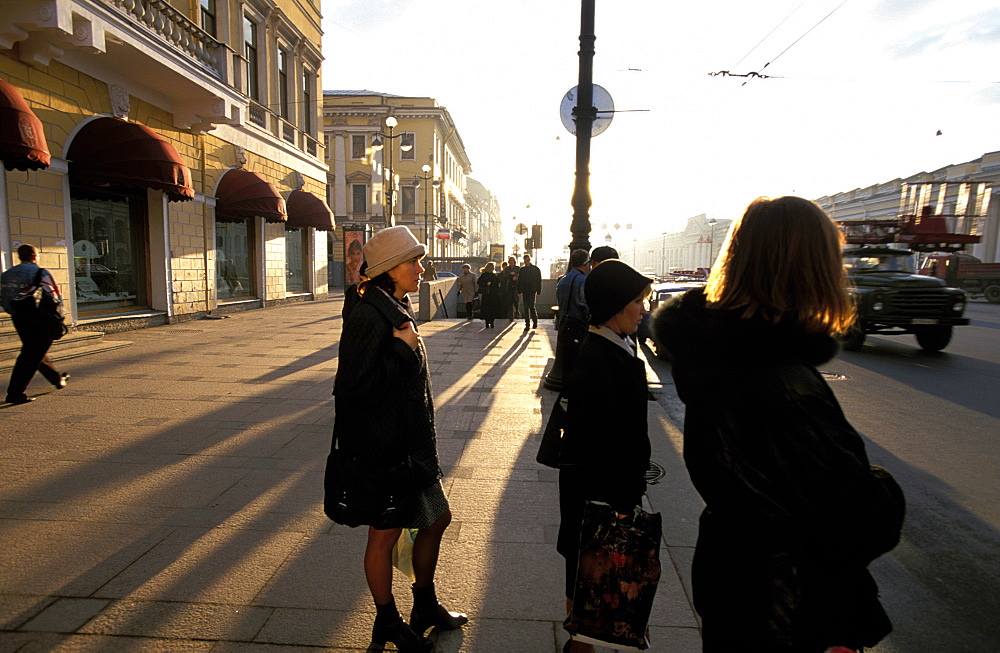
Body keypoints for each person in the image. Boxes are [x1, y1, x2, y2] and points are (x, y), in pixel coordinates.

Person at [651, 196, 903, 652]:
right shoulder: (782, 381)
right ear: (810, 268)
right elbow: (855, 520)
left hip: (734, 583)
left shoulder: (713, 358)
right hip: (789, 607)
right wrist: (884, 487)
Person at [328, 226, 466, 653]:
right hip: (385, 451)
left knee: (435, 517)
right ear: (390, 269)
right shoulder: (371, 314)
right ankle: (387, 621)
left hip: (409, 448)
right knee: (383, 536)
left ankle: (424, 606)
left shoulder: (392, 304)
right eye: (414, 262)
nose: (422, 269)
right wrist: (405, 351)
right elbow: (351, 388)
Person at [557, 259, 653, 653]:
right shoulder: (600, 360)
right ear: (615, 306)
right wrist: (621, 507)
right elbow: (601, 445)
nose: (644, 310)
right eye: (638, 302)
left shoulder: (612, 348)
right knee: (590, 584)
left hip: (599, 498)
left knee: (587, 584)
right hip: (599, 501)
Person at [2, 244, 69, 404]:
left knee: (34, 350)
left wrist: (14, 311)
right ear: (34, 256)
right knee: (30, 355)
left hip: (19, 318)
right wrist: (60, 317)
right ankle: (15, 393)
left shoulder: (6, 274)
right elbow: (54, 296)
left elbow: (4, 298)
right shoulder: (40, 272)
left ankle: (56, 378)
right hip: (40, 319)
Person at [554, 249, 591, 378]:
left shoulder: (562, 280)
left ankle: (566, 392)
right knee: (578, 363)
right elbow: (585, 305)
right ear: (586, 264)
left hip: (564, 326)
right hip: (579, 327)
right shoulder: (583, 281)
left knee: (567, 362)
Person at [517, 253, 542, 332]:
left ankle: (532, 322)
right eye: (525, 261)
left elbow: (539, 281)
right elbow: (519, 281)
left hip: (531, 290)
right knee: (527, 307)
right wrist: (519, 291)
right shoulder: (533, 269)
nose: (526, 262)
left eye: (527, 260)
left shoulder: (525, 270)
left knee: (530, 306)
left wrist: (538, 290)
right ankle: (528, 324)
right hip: (527, 290)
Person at [477, 261, 501, 328]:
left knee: (487, 309)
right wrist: (486, 284)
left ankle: (488, 322)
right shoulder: (489, 275)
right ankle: (491, 322)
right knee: (491, 309)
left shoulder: (486, 275)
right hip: (490, 294)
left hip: (488, 295)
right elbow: (479, 282)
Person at [500, 255, 520, 320]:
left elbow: (520, 276)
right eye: (510, 261)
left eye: (513, 261)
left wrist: (516, 277)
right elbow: (504, 277)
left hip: (516, 286)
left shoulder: (517, 268)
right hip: (509, 287)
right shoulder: (507, 269)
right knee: (509, 302)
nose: (511, 262)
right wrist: (510, 275)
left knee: (516, 301)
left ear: (514, 262)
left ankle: (517, 311)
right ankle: (511, 316)